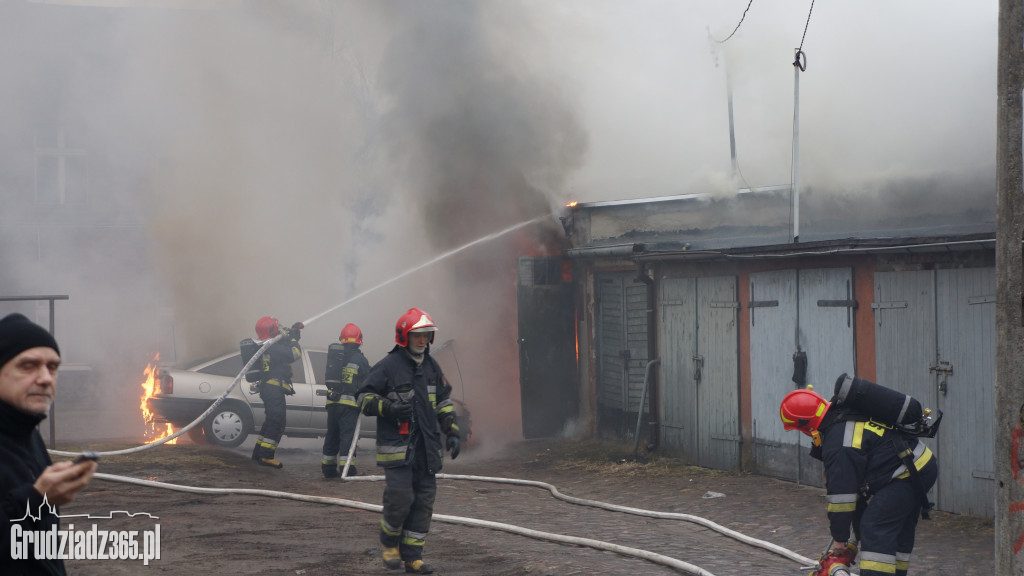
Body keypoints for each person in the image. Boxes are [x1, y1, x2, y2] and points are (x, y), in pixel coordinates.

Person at [779, 382, 938, 576]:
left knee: (875, 527)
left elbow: (842, 497)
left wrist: (839, 540)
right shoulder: (842, 413)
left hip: (906, 473)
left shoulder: (837, 442)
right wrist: (852, 541)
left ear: (805, 425)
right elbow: (856, 492)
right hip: (919, 466)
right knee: (896, 530)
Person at [357, 308, 461, 575]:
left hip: (427, 450)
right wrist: (389, 408)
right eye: (417, 335)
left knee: (424, 503)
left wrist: (452, 430)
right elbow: (363, 398)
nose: (423, 340)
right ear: (404, 336)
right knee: (400, 498)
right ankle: (389, 545)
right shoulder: (388, 366)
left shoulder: (432, 367)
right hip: (398, 450)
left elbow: (444, 401)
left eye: (426, 335)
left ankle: (413, 556)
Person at [0, 313, 98, 575]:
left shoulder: (27, 433)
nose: (45, 378)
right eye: (28, 366)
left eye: (52, 367)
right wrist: (35, 499)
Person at [321, 323, 372, 478]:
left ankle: (328, 469)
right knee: (347, 437)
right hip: (349, 405)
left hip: (332, 403)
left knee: (332, 435)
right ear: (359, 340)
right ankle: (347, 470)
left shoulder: (336, 357)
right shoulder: (359, 359)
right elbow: (369, 378)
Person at [250, 316, 302, 469]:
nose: (279, 330)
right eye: (277, 328)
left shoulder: (267, 345)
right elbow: (294, 354)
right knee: (277, 422)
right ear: (272, 330)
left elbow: (282, 352)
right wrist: (293, 340)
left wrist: (292, 335)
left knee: (270, 421)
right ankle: (266, 457)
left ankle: (258, 453)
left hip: (268, 389)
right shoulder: (273, 347)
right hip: (273, 389)